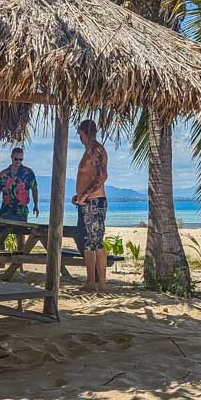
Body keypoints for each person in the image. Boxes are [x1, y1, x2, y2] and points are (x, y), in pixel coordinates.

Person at [72, 119, 109, 294]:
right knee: (88, 242)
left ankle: (99, 284)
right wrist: (79, 196)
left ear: (83, 132)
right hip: (86, 202)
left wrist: (85, 194)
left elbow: (102, 176)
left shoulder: (96, 150)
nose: (79, 137)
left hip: (94, 202)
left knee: (94, 242)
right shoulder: (88, 150)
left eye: (79, 134)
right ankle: (91, 282)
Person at [0, 147, 39, 223]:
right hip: (6, 208)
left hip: (21, 210)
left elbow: (34, 189)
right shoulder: (3, 174)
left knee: (20, 233)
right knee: (0, 232)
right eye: (16, 159)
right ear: (11, 157)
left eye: (20, 159)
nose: (18, 161)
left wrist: (36, 205)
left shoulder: (28, 173)